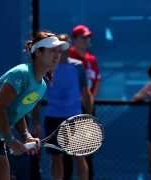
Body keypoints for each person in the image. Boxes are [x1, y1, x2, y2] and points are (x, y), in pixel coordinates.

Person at [0, 31, 69, 180]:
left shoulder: (42, 86)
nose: (57, 55)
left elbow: (17, 112)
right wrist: (10, 140)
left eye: (59, 51)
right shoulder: (21, 73)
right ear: (38, 53)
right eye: (52, 50)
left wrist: (26, 136)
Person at [37, 34, 93, 180]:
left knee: (79, 156)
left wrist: (89, 116)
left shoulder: (78, 67)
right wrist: (36, 123)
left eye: (64, 46)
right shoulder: (46, 68)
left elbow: (86, 94)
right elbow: (36, 97)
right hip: (52, 119)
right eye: (58, 47)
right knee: (56, 158)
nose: (61, 50)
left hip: (74, 118)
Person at [69, 24, 101, 180]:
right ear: (74, 39)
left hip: (87, 108)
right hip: (71, 108)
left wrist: (90, 100)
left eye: (89, 37)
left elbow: (96, 81)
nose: (87, 40)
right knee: (69, 150)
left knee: (87, 149)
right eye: (84, 37)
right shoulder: (68, 57)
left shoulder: (92, 59)